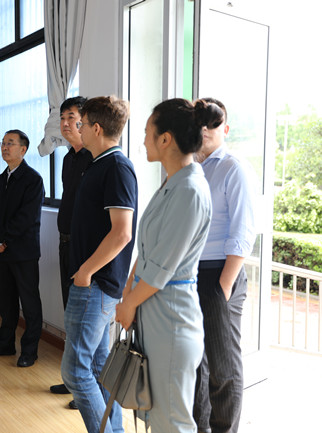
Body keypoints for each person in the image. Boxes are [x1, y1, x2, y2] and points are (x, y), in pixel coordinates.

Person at [115, 98, 222, 433]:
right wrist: (128, 291)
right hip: (155, 313)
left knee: (171, 422)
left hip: (171, 321)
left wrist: (128, 304)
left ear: (165, 139)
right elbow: (147, 248)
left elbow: (162, 268)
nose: (143, 139)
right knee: (156, 415)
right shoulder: (173, 183)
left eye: (148, 131)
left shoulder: (189, 189)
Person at [60, 96, 137, 433]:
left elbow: (122, 233)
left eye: (81, 123)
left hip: (95, 284)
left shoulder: (116, 167)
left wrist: (87, 271)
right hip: (93, 283)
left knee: (75, 372)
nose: (76, 129)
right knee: (98, 367)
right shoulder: (97, 164)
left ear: (96, 128)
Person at [193, 98, 256, 433]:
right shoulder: (193, 168)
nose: (204, 130)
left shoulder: (234, 167)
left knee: (223, 368)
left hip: (221, 273)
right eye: (199, 124)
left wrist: (224, 286)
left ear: (225, 129)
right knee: (198, 363)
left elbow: (243, 232)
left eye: (212, 124)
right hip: (193, 274)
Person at [0, 129, 44, 368]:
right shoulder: (1, 178)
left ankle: (30, 351)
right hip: (1, 251)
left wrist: (0, 238)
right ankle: (5, 344)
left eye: (10, 143)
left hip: (23, 252)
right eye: (3, 143)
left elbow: (26, 218)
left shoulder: (33, 179)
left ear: (23, 149)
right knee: (6, 302)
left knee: (29, 303)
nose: (5, 147)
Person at [49, 96, 92, 410]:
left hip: (86, 249)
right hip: (66, 243)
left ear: (86, 121)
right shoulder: (68, 158)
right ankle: (73, 377)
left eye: (71, 117)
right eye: (62, 117)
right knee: (70, 313)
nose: (65, 123)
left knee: (86, 318)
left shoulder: (96, 158)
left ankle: (87, 385)